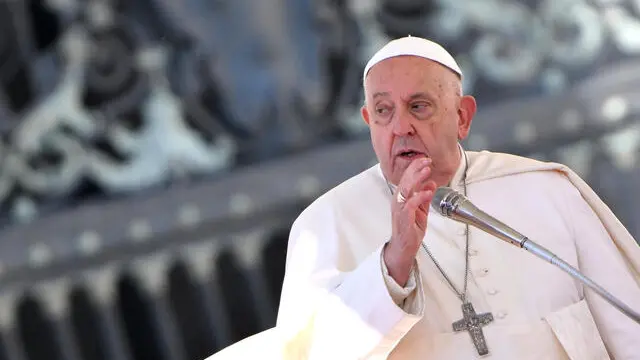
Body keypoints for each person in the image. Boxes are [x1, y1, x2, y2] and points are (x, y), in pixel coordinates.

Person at [273, 36, 640, 359]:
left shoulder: (546, 190)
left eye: (419, 106)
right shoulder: (324, 225)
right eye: (384, 111)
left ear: (462, 116)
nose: (401, 127)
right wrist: (392, 263)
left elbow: (628, 326)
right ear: (369, 121)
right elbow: (310, 352)